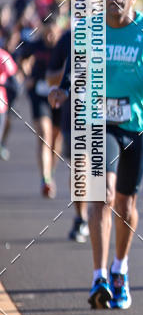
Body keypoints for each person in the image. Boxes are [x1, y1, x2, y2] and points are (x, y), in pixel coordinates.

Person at [49, 0, 143, 309]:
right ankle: (98, 277)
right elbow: (74, 71)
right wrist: (62, 91)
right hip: (100, 123)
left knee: (126, 205)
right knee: (102, 197)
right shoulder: (89, 29)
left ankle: (120, 269)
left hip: (138, 125)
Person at [46, 25, 89, 242]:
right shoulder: (69, 39)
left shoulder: (118, 36)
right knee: (80, 166)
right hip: (76, 112)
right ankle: (81, 218)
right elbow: (50, 77)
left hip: (110, 115)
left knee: (107, 178)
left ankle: (102, 216)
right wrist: (68, 73)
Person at [18, 15, 63, 197]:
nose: (50, 38)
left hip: (59, 96)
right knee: (44, 134)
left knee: (55, 137)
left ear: (59, 31)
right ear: (43, 31)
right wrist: (27, 75)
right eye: (47, 34)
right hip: (39, 94)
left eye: (53, 34)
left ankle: (50, 172)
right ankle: (45, 178)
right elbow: (22, 58)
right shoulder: (35, 45)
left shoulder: (65, 45)